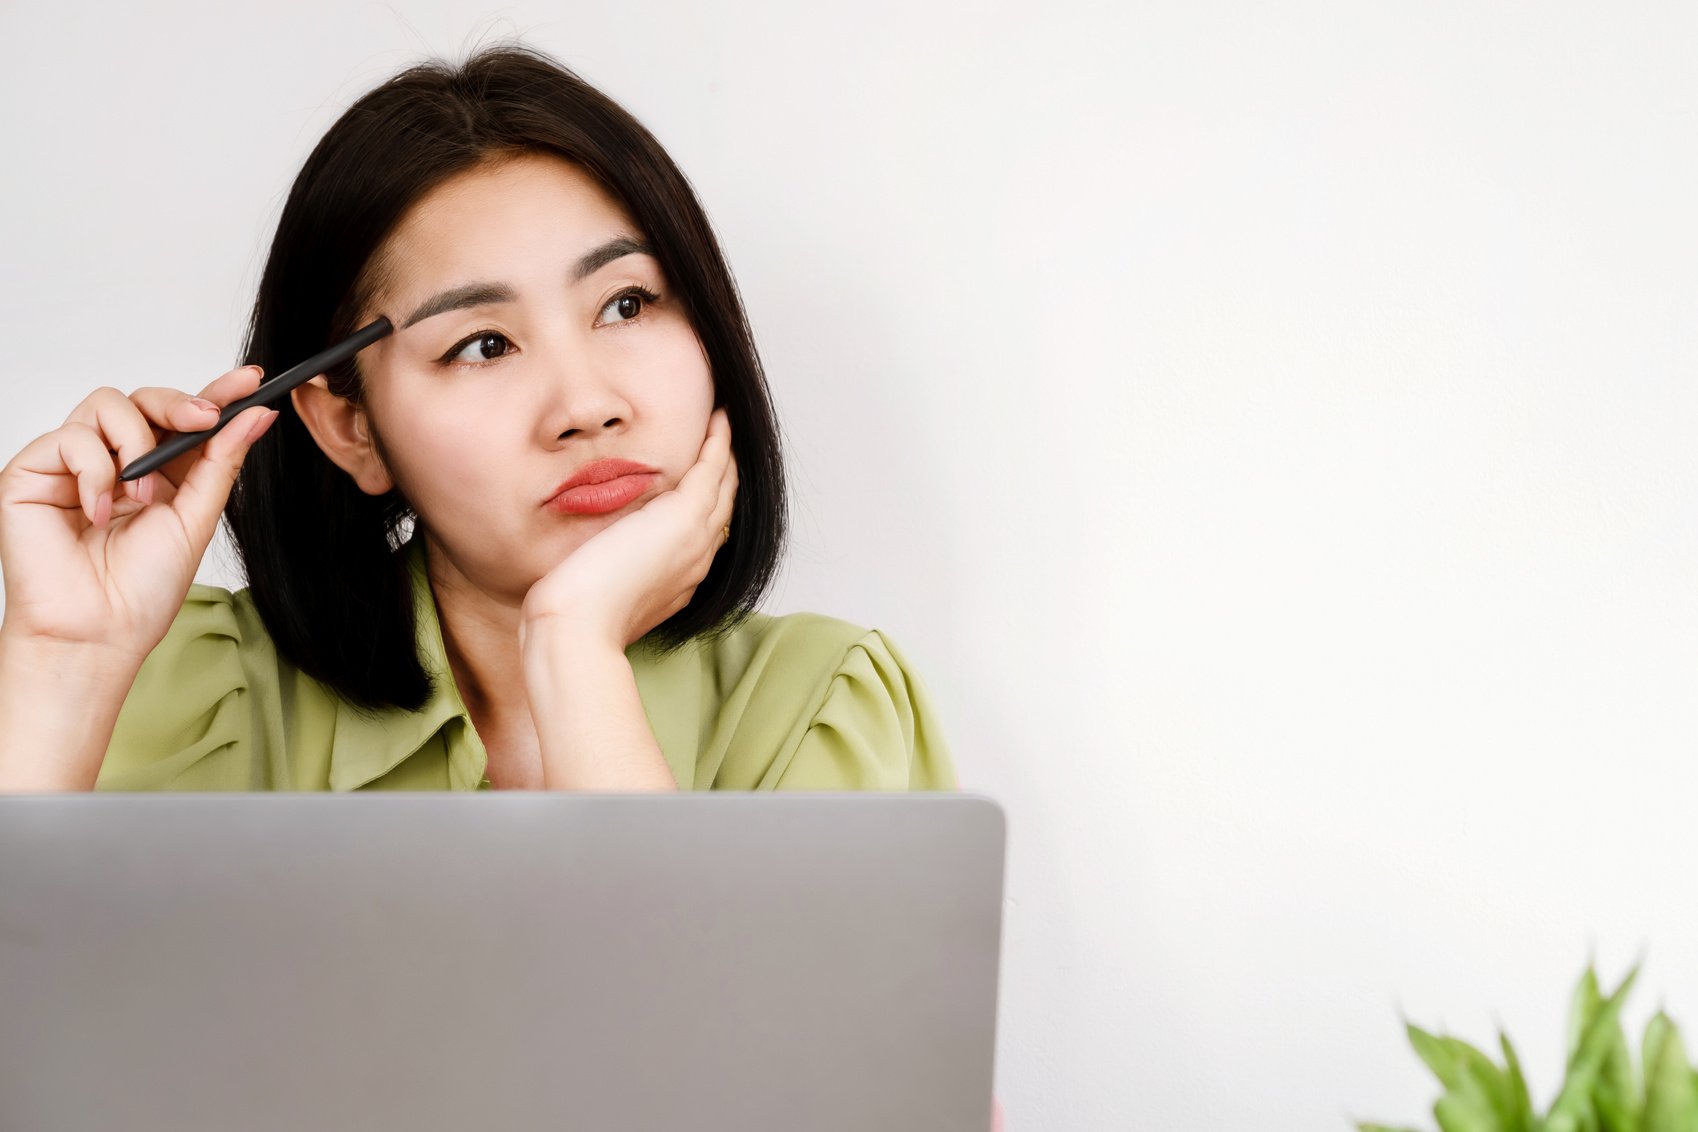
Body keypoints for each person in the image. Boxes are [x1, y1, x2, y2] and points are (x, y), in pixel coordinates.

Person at [0, 43, 958, 797]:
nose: (587, 406)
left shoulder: (821, 709)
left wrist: (576, 657)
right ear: (350, 428)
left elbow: (699, 1046)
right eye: (483, 345)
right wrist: (64, 665)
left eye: (627, 304)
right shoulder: (186, 693)